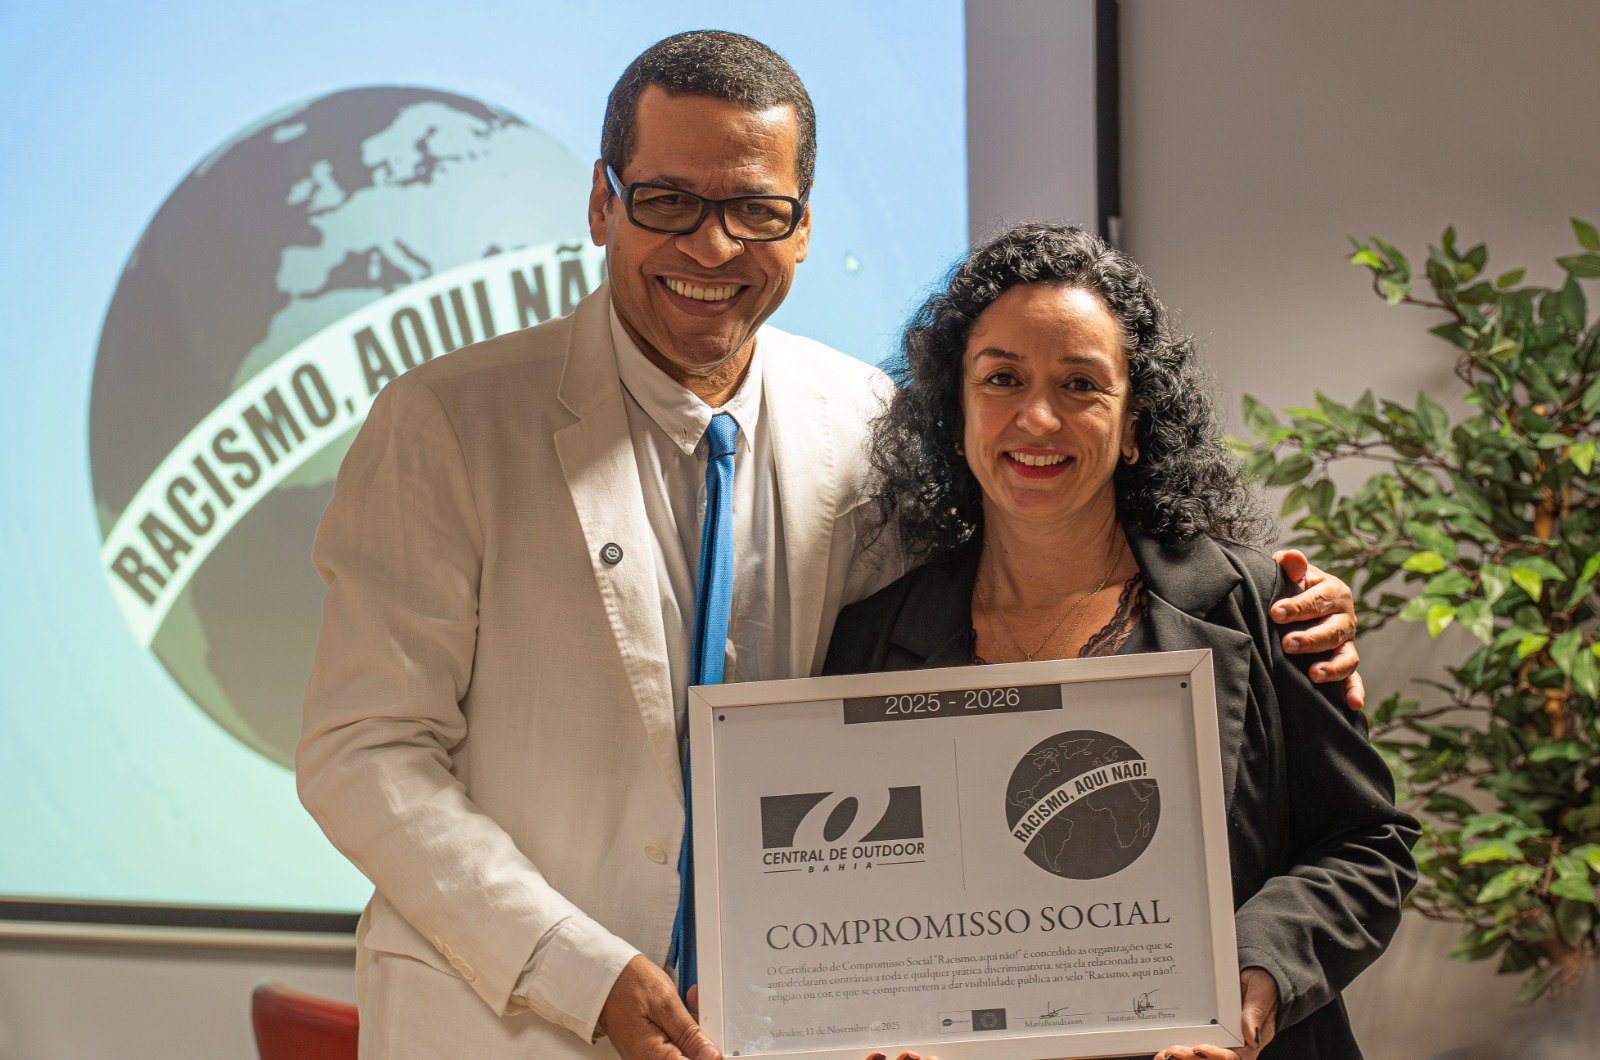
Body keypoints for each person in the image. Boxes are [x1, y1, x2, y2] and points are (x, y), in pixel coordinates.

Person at [298, 32, 1366, 1060]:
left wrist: (1287, 610)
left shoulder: (864, 424)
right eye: (667, 201)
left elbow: (1002, 629)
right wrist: (583, 970)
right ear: (600, 204)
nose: (712, 246)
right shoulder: (446, 425)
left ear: (803, 227)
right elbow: (364, 751)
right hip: (513, 1019)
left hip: (791, 1030)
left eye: (755, 210)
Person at [824, 222, 1419, 1059]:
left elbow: (1367, 844)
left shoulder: (1259, 607)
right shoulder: (873, 640)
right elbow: (859, 903)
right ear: (955, 413)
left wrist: (1254, 979)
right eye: (1001, 378)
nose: (1038, 417)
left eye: (1080, 384)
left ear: (1134, 421)